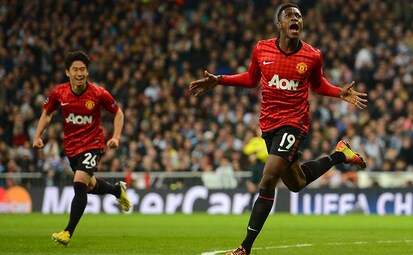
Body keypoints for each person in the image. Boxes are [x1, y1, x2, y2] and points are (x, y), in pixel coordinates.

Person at [189, 3, 367, 255]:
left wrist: (339, 92)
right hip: (269, 124)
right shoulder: (262, 48)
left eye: (299, 16)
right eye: (289, 16)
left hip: (294, 122)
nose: (296, 18)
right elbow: (252, 79)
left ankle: (245, 248)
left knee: (269, 176)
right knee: (297, 182)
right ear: (280, 24)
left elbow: (317, 85)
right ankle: (341, 154)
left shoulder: (312, 55)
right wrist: (220, 80)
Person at [32, 50, 131, 246]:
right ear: (67, 72)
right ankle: (117, 191)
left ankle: (67, 232)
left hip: (93, 144)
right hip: (71, 147)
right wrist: (37, 136)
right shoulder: (59, 92)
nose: (79, 73)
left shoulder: (99, 93)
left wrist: (116, 136)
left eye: (83, 69)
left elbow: (118, 113)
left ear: (87, 72)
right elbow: (47, 113)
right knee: (90, 186)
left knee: (79, 184)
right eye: (75, 69)